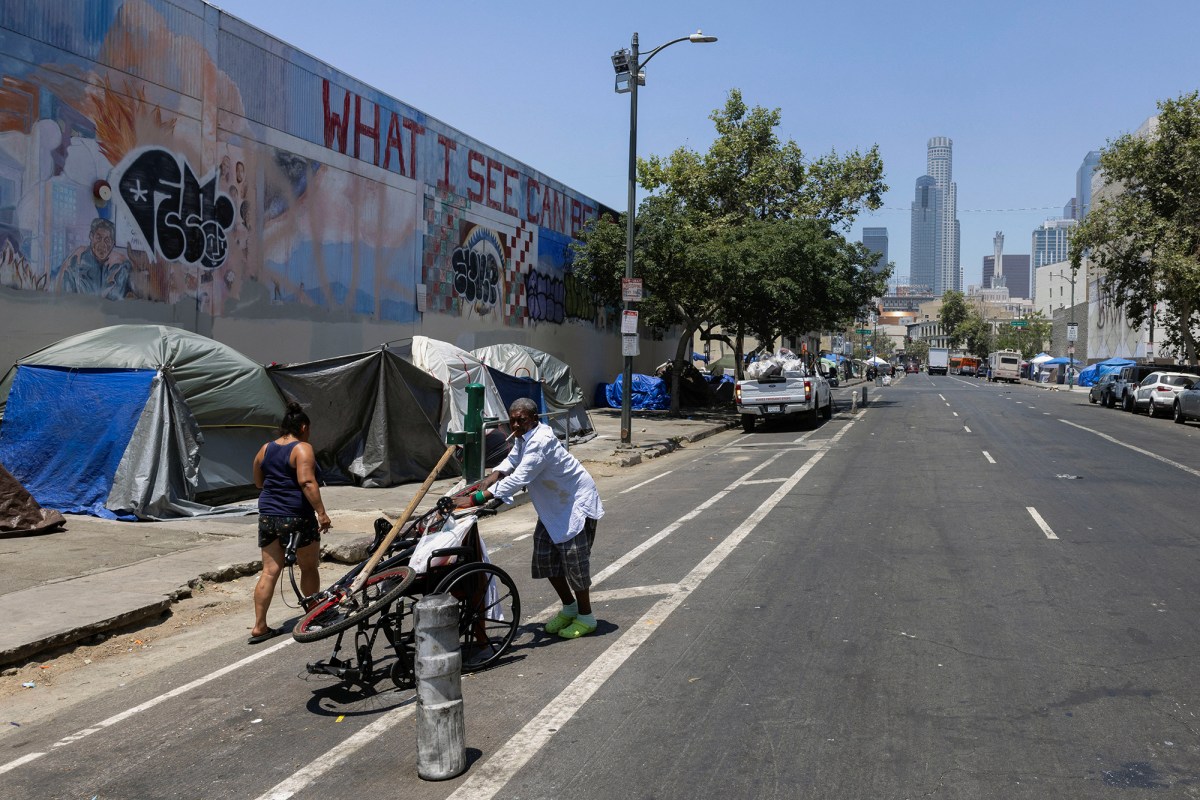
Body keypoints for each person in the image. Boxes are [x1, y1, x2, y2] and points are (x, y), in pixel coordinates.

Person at [458, 398, 604, 639]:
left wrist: (477, 499)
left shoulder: (541, 441)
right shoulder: (522, 437)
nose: (515, 424)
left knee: (574, 564)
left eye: (521, 420)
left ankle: (586, 617)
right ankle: (569, 608)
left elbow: (520, 478)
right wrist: (493, 476)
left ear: (534, 419)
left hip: (574, 503)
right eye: (512, 420)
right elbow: (513, 459)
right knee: (546, 559)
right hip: (552, 507)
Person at [249, 402, 331, 644]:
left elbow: (258, 481)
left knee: (269, 570)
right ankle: (314, 614)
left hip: (268, 515)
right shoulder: (302, 448)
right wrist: (322, 513)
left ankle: (259, 626)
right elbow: (307, 482)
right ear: (303, 427)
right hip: (296, 515)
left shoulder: (266, 448)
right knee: (308, 566)